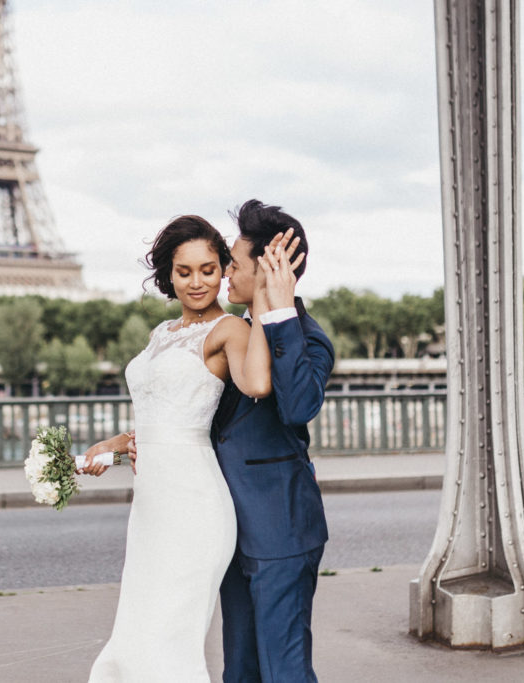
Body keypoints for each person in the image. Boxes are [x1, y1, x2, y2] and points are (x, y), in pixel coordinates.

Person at [82, 214, 273, 682]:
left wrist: (267, 300)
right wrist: (118, 444)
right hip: (151, 506)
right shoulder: (160, 334)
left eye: (208, 269)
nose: (196, 282)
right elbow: (158, 415)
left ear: (223, 269)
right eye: (184, 271)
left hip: (195, 505)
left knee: (170, 636)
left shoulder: (230, 331)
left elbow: (259, 384)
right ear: (168, 273)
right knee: (138, 628)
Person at [213, 199, 334, 683]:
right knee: (239, 671)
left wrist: (278, 309)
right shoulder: (232, 334)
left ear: (269, 267)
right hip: (229, 532)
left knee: (283, 672)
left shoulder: (308, 338)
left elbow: (300, 406)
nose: (225, 272)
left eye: (235, 263)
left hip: (281, 533)